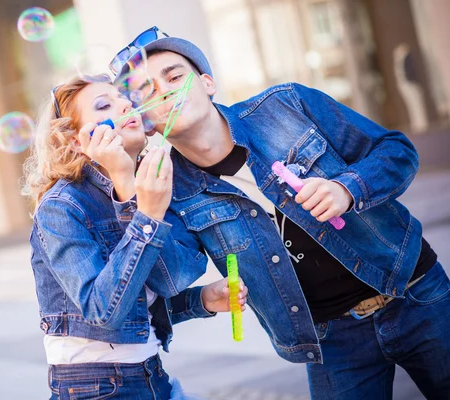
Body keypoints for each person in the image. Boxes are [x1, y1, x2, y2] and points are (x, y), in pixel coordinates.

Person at [110, 27, 450, 399]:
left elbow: (397, 151)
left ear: (207, 83)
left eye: (175, 76)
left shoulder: (286, 104)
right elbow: (165, 280)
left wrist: (347, 188)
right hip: (330, 339)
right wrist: (134, 196)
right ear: (144, 120)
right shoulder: (168, 189)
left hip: (416, 294)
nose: (165, 91)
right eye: (146, 92)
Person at [22, 74, 247, 399]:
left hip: (151, 374)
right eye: (104, 105)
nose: (126, 104)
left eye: (124, 97)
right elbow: (103, 313)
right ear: (75, 141)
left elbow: (169, 280)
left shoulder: (150, 182)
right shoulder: (62, 206)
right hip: (95, 387)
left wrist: (201, 300)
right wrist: (146, 214)